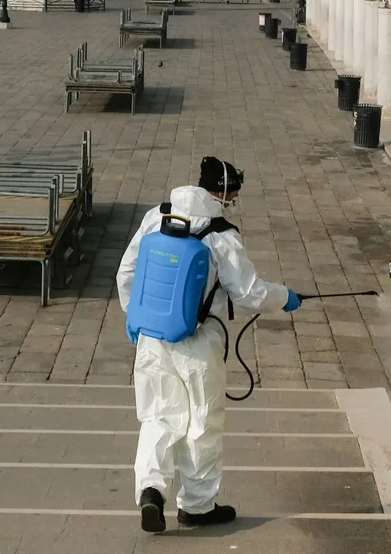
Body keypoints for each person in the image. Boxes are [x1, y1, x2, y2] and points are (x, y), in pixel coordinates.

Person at [116, 156, 302, 533]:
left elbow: (127, 272)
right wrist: (286, 298)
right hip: (200, 342)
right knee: (201, 420)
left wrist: (135, 318)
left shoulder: (157, 216)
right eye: (233, 194)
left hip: (152, 339)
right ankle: (197, 506)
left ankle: (151, 490)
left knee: (157, 416)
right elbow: (249, 292)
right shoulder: (221, 235)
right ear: (223, 192)